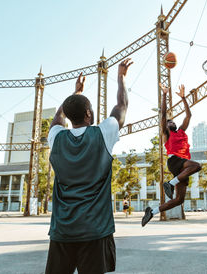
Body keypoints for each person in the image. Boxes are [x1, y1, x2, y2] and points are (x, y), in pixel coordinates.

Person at [45, 58, 133, 274]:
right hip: (95, 230)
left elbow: (58, 117)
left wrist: (75, 93)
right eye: (90, 109)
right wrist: (121, 77)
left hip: (62, 230)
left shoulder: (56, 138)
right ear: (88, 114)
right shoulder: (102, 134)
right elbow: (122, 106)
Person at [142, 84, 201, 227]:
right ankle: (170, 183)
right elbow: (163, 115)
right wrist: (164, 95)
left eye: (173, 121)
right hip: (175, 161)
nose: (171, 122)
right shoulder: (166, 134)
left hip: (182, 166)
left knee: (179, 200)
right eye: (168, 122)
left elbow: (188, 115)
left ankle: (152, 212)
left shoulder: (181, 131)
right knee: (197, 166)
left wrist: (183, 98)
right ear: (165, 126)